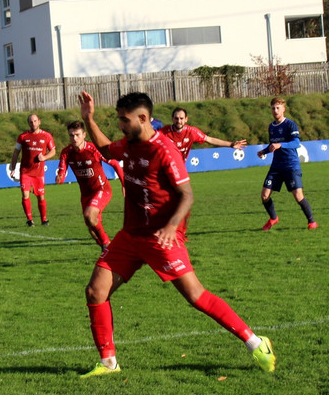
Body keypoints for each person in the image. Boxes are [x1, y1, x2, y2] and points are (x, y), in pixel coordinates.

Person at [75, 90, 275, 377]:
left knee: (196, 296)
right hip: (130, 236)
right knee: (95, 291)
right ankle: (108, 363)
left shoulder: (164, 150)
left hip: (161, 237)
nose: (120, 125)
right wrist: (89, 119)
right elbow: (107, 150)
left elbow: (187, 195)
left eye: (124, 119)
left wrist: (171, 227)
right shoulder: (129, 144)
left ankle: (256, 342)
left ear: (143, 118)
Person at [55, 120, 123, 249]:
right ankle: (105, 250)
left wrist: (124, 185)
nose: (74, 138)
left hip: (102, 189)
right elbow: (62, 172)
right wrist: (60, 177)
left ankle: (107, 245)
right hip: (86, 195)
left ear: (84, 134)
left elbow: (114, 163)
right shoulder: (66, 152)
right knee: (92, 228)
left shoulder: (93, 149)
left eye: (77, 135)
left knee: (89, 215)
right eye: (71, 135)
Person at [258, 97, 316, 230]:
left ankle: (311, 221)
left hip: (291, 165)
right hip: (276, 166)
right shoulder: (271, 127)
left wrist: (280, 145)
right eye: (273, 108)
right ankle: (273, 218)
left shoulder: (290, 124)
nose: (275, 110)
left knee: (298, 195)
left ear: (283, 109)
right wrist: (264, 151)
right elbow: (273, 145)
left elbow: (296, 143)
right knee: (264, 195)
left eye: (278, 108)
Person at [9, 113, 56, 226]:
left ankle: (44, 220)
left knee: (40, 197)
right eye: (31, 122)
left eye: (35, 121)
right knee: (25, 195)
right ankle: (30, 220)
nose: (33, 123)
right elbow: (16, 152)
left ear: (39, 122)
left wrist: (44, 157)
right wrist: (13, 167)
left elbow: (53, 151)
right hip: (25, 172)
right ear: (28, 123)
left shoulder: (47, 136)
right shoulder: (23, 137)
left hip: (39, 173)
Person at [160, 107, 248, 161]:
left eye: (181, 118)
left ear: (186, 119)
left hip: (181, 168)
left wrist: (231, 144)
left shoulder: (191, 132)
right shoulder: (164, 132)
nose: (179, 121)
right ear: (172, 119)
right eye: (176, 118)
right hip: (165, 168)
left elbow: (210, 139)